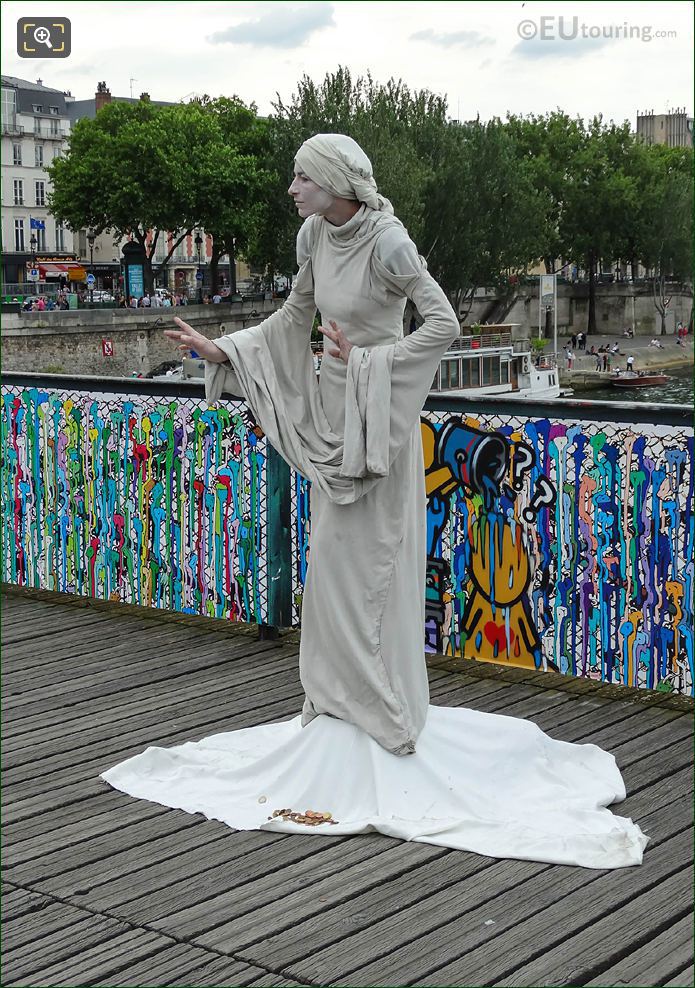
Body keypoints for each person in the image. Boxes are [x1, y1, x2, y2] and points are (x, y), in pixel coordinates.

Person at [102, 133, 646, 869]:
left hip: (376, 419)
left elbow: (443, 324)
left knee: (366, 566)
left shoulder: (388, 241)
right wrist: (225, 351)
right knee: (329, 568)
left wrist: (369, 363)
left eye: (300, 176)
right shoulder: (309, 235)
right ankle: (337, 706)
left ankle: (382, 712)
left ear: (331, 181)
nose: (290, 187)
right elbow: (294, 317)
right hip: (332, 413)